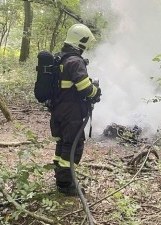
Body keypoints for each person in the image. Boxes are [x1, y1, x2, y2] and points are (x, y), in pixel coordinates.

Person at [51, 24, 101, 196]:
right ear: (81, 41)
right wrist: (96, 91)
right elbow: (84, 88)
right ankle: (65, 185)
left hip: (57, 109)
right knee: (73, 145)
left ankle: (60, 178)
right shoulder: (75, 61)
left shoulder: (59, 58)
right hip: (71, 111)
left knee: (62, 143)